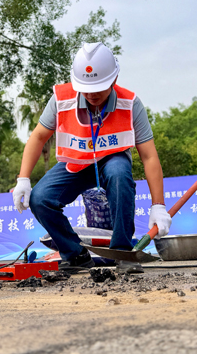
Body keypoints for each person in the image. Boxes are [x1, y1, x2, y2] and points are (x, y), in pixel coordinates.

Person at [12, 43, 172, 270]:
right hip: (76, 163)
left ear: (114, 79)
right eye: (85, 89)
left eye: (99, 88)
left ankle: (123, 252)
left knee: (119, 175)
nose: (92, 94)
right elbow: (38, 137)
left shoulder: (130, 104)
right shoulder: (61, 99)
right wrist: (23, 178)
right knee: (40, 198)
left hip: (112, 161)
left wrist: (158, 205)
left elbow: (149, 157)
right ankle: (75, 254)